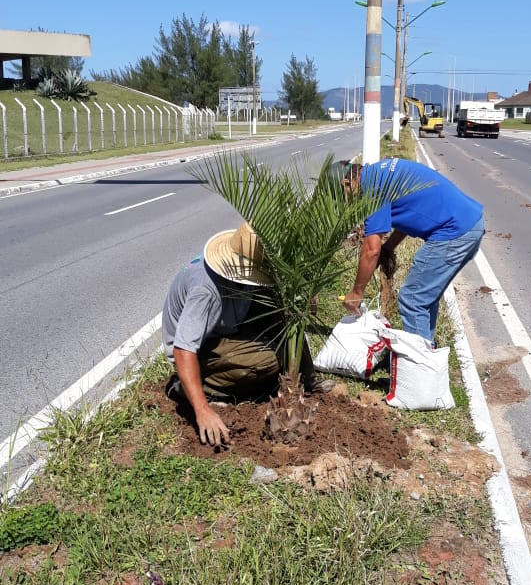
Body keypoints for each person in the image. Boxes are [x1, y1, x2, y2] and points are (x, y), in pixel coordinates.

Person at [162, 221, 327, 446]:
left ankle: (307, 380)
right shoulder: (205, 290)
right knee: (265, 361)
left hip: (227, 325)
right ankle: (190, 388)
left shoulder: (243, 266)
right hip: (201, 348)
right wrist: (202, 410)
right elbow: (183, 349)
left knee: (286, 316)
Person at [342, 157, 484, 344]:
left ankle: (420, 366)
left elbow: (371, 250)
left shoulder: (371, 188)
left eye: (342, 194)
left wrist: (356, 293)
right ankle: (427, 351)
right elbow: (410, 212)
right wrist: (390, 247)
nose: (347, 202)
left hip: (454, 231)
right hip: (469, 223)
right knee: (425, 299)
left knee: (413, 299)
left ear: (347, 183)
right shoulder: (379, 173)